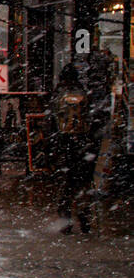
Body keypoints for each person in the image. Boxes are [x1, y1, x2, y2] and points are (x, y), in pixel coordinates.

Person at [52, 63, 94, 233]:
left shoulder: (59, 94)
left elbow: (52, 121)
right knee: (82, 184)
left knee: (65, 185)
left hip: (64, 144)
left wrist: (53, 145)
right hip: (82, 146)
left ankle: (66, 221)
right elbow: (91, 119)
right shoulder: (83, 94)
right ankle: (84, 219)